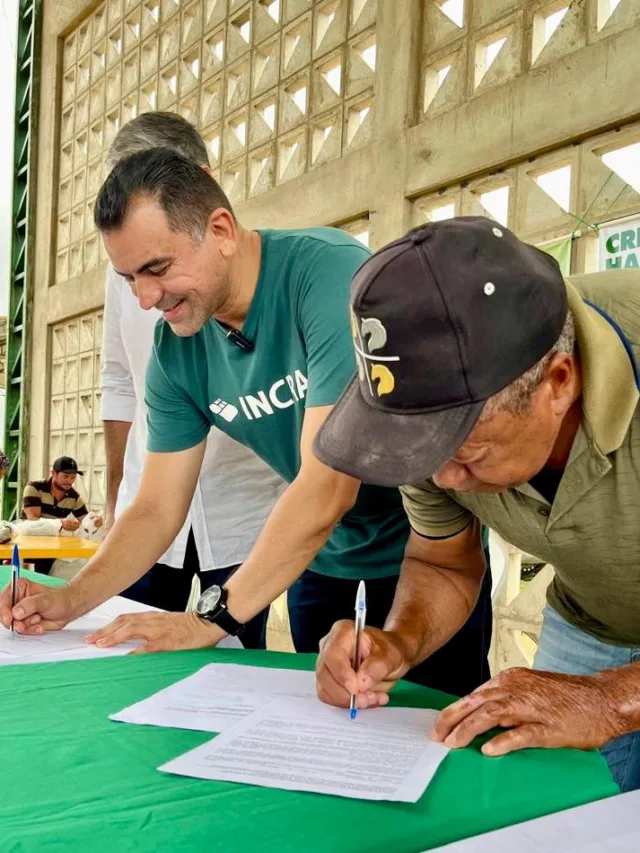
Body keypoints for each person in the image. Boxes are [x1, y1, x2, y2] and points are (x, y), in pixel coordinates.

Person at [0, 149, 491, 696]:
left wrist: (208, 619)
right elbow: (157, 508)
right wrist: (69, 600)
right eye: (128, 278)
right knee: (335, 727)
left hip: (428, 554)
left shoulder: (330, 277)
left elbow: (327, 484)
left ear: (221, 230)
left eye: (157, 269)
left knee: (444, 730)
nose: (144, 299)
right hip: (319, 562)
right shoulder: (176, 350)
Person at [313, 216, 640, 792]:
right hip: (593, 621)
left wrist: (613, 701)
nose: (440, 477)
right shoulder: (427, 426)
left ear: (558, 382)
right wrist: (398, 640)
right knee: (556, 812)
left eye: (468, 451)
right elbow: (443, 561)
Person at [101, 113, 285, 636]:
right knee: (120, 652)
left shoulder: (261, 269)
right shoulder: (125, 277)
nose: (146, 293)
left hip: (242, 514)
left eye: (157, 270)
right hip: (147, 503)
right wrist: (115, 502)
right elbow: (119, 382)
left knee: (226, 661)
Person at [21, 456, 101, 574]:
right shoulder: (34, 487)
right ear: (53, 473)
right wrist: (61, 524)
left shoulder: (74, 497)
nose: (69, 481)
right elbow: (32, 519)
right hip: (28, 545)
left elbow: (85, 521)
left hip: (52, 547)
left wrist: (95, 522)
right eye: (65, 476)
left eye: (73, 477)